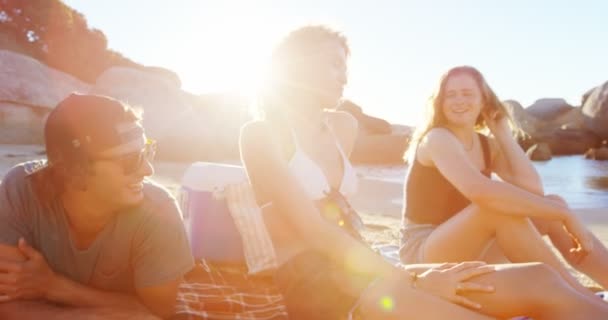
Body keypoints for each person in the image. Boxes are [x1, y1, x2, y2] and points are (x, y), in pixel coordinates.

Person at [240, 26, 608, 320]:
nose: (344, 77)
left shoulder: (341, 126)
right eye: (333, 64)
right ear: (295, 65)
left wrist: (501, 131)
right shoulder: (260, 135)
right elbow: (316, 232)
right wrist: (415, 277)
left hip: (368, 269)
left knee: (541, 281)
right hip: (323, 288)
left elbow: (339, 218)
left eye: (345, 66)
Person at [400, 65, 608, 300]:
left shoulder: (487, 145)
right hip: (425, 249)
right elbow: (480, 192)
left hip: (473, 244)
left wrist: (503, 134)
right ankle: (580, 298)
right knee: (495, 210)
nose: (459, 100)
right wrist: (565, 214)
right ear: (439, 102)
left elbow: (533, 190)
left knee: (550, 204)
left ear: (484, 101)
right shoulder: (437, 138)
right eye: (451, 95)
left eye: (468, 94)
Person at [0, 94, 194, 319]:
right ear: (73, 169)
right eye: (130, 160)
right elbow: (7, 303)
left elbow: (156, 313)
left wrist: (54, 287)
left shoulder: (159, 213)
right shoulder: (21, 190)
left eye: (147, 152)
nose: (147, 170)